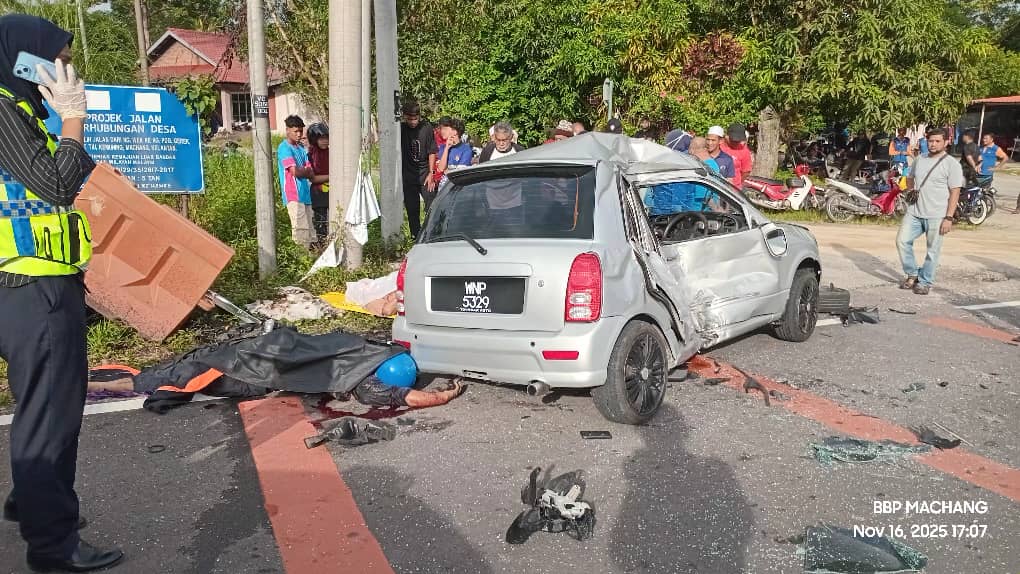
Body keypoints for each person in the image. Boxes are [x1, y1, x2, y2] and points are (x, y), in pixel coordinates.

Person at [0, 14, 124, 572]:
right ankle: (53, 546)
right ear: (24, 55)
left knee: (44, 409)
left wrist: (71, 136)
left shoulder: (22, 112)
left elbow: (59, 175)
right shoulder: (3, 111)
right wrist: (74, 120)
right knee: (49, 418)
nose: (65, 70)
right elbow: (53, 183)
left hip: (32, 284)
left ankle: (33, 501)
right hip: (32, 288)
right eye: (59, 58)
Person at [896, 128, 964, 296]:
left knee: (933, 250)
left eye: (937, 141)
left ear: (946, 142)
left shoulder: (951, 164)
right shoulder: (920, 159)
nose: (933, 144)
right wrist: (912, 190)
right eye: (930, 141)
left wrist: (949, 217)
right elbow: (910, 177)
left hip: (937, 215)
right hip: (915, 212)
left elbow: (955, 192)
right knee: (902, 241)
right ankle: (912, 273)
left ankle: (925, 281)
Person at [277, 115, 316, 250]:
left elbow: (310, 171)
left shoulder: (300, 149)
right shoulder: (284, 148)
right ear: (287, 130)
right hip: (293, 194)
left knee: (311, 229)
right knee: (300, 229)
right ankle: (301, 259)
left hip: (305, 194)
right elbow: (295, 172)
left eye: (301, 131)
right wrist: (304, 171)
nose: (299, 134)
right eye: (296, 131)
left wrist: (304, 170)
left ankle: (310, 259)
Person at [400, 101, 437, 238]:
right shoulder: (401, 128)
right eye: (409, 119)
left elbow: (432, 151)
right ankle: (416, 235)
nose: (413, 122)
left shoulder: (426, 128)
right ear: (404, 117)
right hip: (408, 175)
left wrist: (431, 173)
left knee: (431, 204)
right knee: (412, 207)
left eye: (415, 119)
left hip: (425, 173)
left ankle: (431, 233)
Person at [432, 117, 473, 193]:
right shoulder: (443, 148)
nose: (442, 131)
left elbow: (460, 172)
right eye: (441, 129)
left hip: (459, 189)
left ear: (454, 131)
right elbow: (441, 169)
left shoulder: (466, 149)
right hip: (444, 188)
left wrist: (448, 170)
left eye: (445, 129)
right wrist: (447, 148)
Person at [305, 123, 330, 244]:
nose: (325, 141)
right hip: (318, 193)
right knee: (321, 223)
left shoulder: (332, 153)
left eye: (326, 138)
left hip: (333, 192)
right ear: (314, 139)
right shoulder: (311, 155)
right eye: (321, 138)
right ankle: (322, 246)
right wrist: (332, 177)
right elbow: (313, 179)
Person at [720, 122, 753, 187]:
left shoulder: (744, 151)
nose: (736, 143)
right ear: (726, 136)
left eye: (738, 141)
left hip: (734, 188)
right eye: (733, 140)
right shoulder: (718, 146)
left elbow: (746, 172)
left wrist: (736, 183)